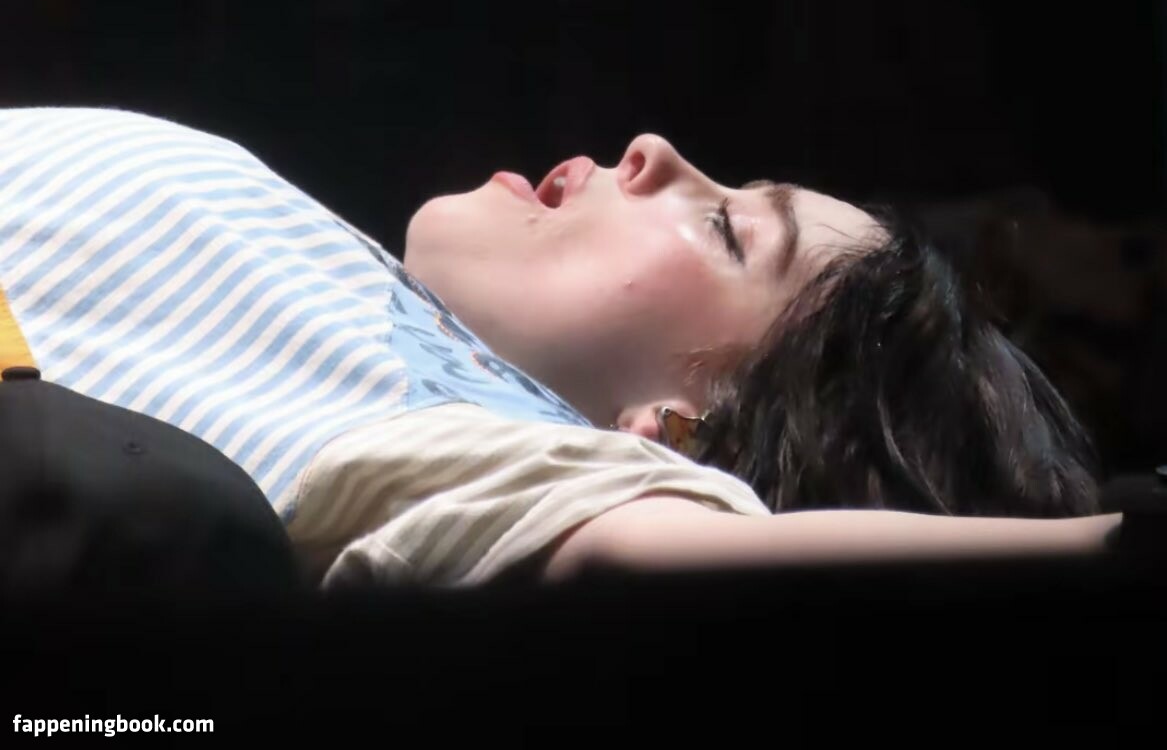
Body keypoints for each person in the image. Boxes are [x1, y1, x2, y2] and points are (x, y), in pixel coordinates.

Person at [0, 106, 1120, 592]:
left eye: (727, 231)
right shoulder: (368, 313)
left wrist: (1119, 542)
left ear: (677, 439)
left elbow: (656, 558)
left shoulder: (506, 453)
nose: (654, 149)